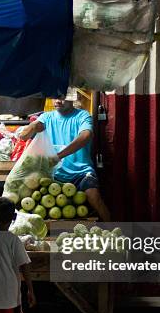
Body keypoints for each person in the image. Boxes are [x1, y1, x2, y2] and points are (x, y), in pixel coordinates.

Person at [18, 88, 111, 221]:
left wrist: (59, 155)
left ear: (73, 97)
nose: (58, 100)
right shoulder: (46, 117)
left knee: (94, 196)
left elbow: (86, 135)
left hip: (80, 172)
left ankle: (114, 231)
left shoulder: (82, 116)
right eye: (55, 96)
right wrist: (32, 127)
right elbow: (26, 134)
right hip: (52, 174)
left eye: (62, 97)